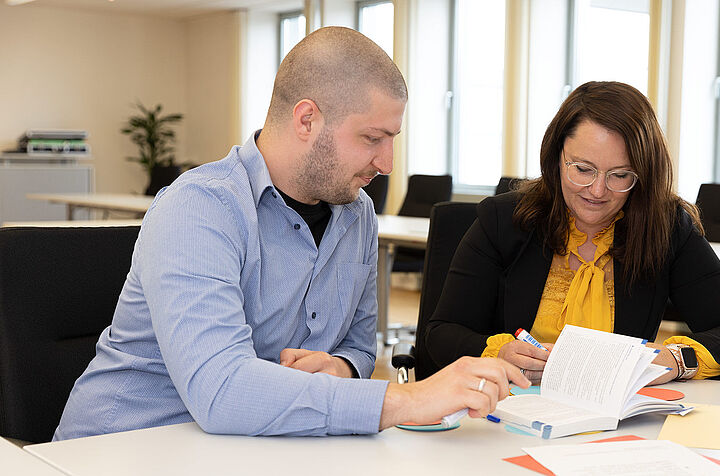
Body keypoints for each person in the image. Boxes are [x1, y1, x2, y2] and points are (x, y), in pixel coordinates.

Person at [54, 26, 528, 441]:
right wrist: (406, 401)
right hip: (122, 449)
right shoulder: (199, 208)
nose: (386, 165)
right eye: (372, 139)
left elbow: (361, 346)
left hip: (254, 446)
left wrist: (339, 368)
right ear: (307, 120)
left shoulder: (356, 213)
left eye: (392, 140)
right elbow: (221, 391)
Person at [425, 81, 720, 386]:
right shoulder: (503, 220)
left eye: (620, 175)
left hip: (615, 424)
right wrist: (500, 354)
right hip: (506, 412)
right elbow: (442, 333)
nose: (597, 190)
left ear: (643, 175)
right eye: (583, 169)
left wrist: (675, 360)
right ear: (556, 157)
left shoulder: (665, 228)